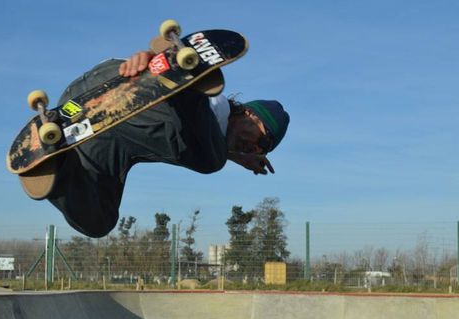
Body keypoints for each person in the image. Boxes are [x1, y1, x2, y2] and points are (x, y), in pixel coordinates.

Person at [21, 51, 289, 238]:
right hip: (124, 79)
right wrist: (158, 62)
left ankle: (53, 156)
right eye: (261, 140)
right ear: (252, 113)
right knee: (212, 160)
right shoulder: (217, 106)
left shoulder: (210, 139)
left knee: (99, 221)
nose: (253, 148)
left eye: (260, 151)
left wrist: (237, 155)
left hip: (81, 113)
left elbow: (202, 138)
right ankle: (182, 75)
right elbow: (204, 137)